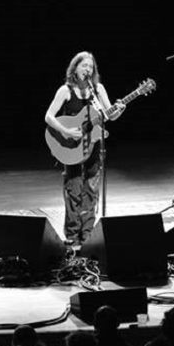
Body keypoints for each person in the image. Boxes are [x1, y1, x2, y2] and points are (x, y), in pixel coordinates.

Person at [44, 51, 124, 247]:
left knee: (91, 189)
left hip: (94, 145)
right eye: (84, 66)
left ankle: (87, 233)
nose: (87, 70)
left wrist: (119, 110)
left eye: (91, 67)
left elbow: (108, 116)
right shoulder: (66, 90)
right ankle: (71, 234)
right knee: (74, 188)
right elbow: (49, 116)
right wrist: (67, 131)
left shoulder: (98, 90)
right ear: (75, 68)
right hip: (71, 146)